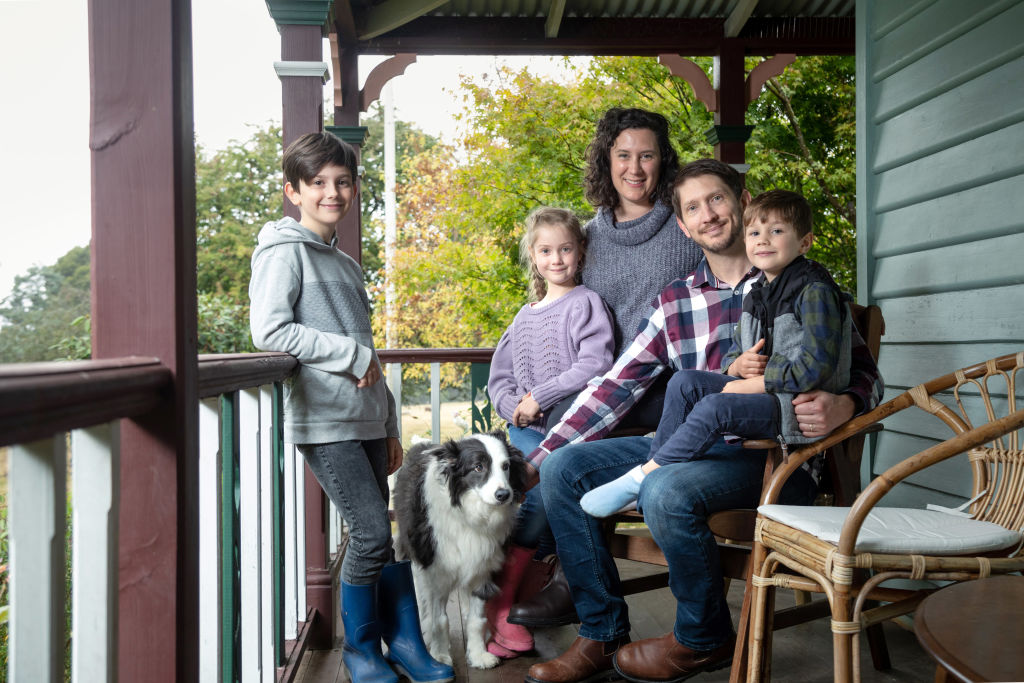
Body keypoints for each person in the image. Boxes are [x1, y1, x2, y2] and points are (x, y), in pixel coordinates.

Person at [522, 160, 884, 683]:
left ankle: (703, 637)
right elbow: (615, 386)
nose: (708, 215)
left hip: (773, 457)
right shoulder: (674, 302)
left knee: (664, 489)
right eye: (692, 208)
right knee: (563, 470)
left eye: (716, 199)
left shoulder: (799, 281)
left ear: (742, 200)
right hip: (682, 445)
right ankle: (600, 633)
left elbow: (868, 377)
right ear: (684, 227)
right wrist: (538, 456)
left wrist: (846, 404)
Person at [248, 132, 453, 683]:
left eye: (341, 182)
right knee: (369, 533)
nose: (332, 192)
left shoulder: (346, 263)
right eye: (317, 183)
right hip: (324, 419)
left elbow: (371, 354)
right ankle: (360, 651)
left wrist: (388, 422)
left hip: (363, 417)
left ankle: (405, 645)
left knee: (381, 535)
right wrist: (346, 353)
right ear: (294, 190)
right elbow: (269, 330)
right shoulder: (282, 251)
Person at [504, 107, 705, 632]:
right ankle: (547, 573)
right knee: (542, 436)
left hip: (663, 395)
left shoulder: (689, 230)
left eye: (647, 155)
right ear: (606, 161)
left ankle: (562, 578)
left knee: (559, 450)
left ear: (664, 162)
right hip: (600, 393)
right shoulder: (588, 238)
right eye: (623, 155)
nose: (635, 168)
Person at [580, 190, 852, 518]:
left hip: (795, 410)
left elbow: (816, 368)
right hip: (764, 404)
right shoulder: (759, 295)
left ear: (805, 243)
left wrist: (751, 384)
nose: (763, 240)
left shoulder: (815, 291)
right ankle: (654, 469)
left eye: (776, 231)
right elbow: (734, 358)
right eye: (755, 233)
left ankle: (644, 476)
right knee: (684, 382)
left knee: (715, 405)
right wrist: (735, 366)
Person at [485, 207, 615, 658]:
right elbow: (498, 380)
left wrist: (540, 395)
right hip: (523, 432)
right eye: (545, 250)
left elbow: (596, 364)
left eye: (565, 249)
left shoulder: (586, 303)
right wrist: (514, 409)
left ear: (580, 253)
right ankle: (502, 606)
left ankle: (507, 604)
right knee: (520, 494)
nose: (556, 258)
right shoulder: (524, 316)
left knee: (541, 494)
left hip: (569, 430)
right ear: (533, 257)